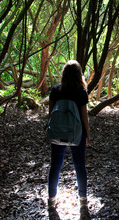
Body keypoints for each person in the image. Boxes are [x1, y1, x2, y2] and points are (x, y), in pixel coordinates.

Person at [47, 60, 90, 219]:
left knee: (55, 165)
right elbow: (84, 116)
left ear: (64, 74)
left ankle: (51, 201)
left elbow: (51, 113)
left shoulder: (55, 90)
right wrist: (87, 134)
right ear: (79, 75)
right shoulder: (80, 92)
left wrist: (49, 130)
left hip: (57, 132)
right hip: (76, 133)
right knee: (79, 165)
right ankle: (83, 202)